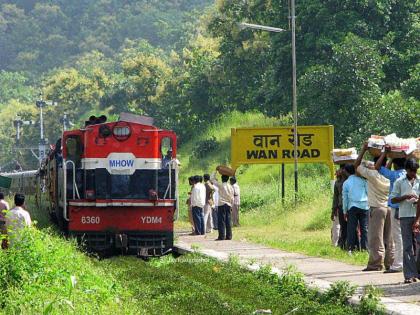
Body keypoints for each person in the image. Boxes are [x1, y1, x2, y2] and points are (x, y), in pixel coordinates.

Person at [355, 143, 393, 271]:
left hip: (377, 209)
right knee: (389, 238)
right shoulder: (390, 177)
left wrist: (363, 150)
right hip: (389, 208)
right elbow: (385, 167)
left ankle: (375, 264)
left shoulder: (372, 175)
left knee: (376, 238)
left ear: (375, 164)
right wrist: (388, 156)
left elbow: (356, 166)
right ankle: (390, 263)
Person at [375, 148, 406, 273]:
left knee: (398, 237)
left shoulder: (394, 176)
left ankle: (398, 264)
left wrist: (385, 154)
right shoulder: (409, 174)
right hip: (410, 210)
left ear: (394, 164)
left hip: (397, 209)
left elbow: (378, 167)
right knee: (408, 237)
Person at [390, 158, 419, 283]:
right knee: (407, 246)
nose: (413, 173)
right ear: (406, 170)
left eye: (415, 171)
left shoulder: (419, 180)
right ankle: (409, 274)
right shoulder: (399, 182)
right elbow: (393, 199)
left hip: (417, 215)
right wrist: (405, 197)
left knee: (417, 245)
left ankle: (416, 271)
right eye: (411, 171)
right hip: (405, 215)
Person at [342, 163, 369, 251]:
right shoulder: (362, 180)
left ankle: (350, 248)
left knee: (351, 228)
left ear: (346, 172)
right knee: (364, 228)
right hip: (364, 206)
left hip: (352, 207)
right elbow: (368, 192)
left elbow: (345, 198)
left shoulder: (346, 182)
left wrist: (345, 211)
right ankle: (365, 249)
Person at [211, 171, 234, 240]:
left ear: (222, 179)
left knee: (221, 221)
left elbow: (212, 179)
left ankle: (221, 236)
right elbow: (232, 197)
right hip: (229, 204)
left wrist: (215, 171)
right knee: (228, 221)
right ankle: (229, 236)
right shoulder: (230, 186)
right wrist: (231, 205)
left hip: (221, 204)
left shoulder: (220, 185)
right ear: (227, 179)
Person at [331, 167, 344, 247]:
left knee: (338, 225)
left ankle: (336, 243)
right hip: (342, 206)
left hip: (340, 206)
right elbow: (335, 197)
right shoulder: (339, 182)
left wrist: (333, 209)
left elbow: (335, 198)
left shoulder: (338, 183)